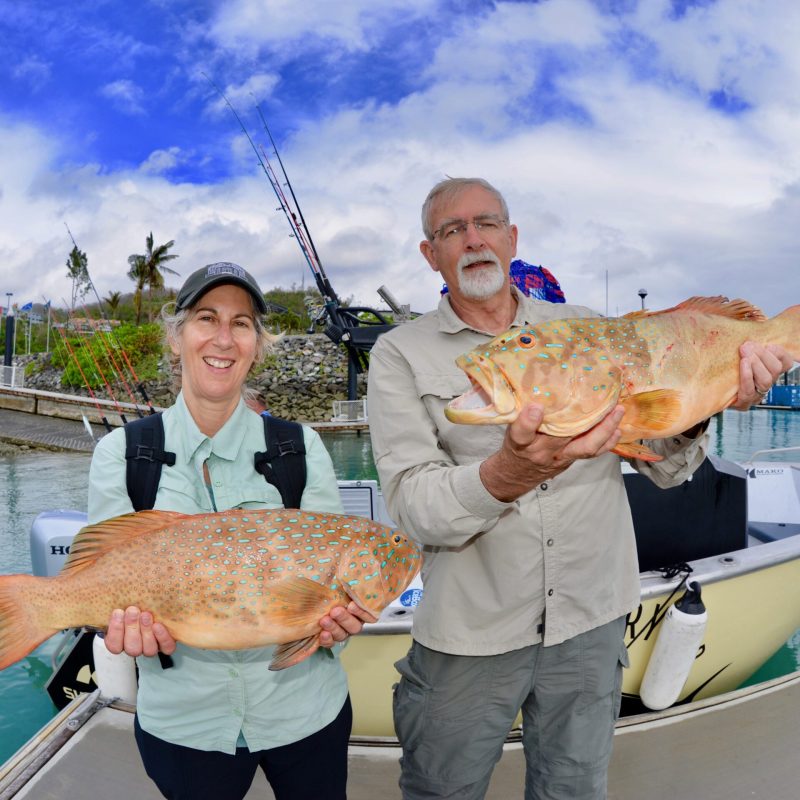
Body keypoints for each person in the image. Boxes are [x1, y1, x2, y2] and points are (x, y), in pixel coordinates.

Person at [366, 177, 793, 800]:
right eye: (451, 230)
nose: (472, 239)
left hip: (591, 621)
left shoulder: (590, 327)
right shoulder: (398, 354)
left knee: (574, 789)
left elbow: (669, 469)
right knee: (441, 788)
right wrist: (513, 470)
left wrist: (705, 404)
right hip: (470, 633)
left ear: (512, 238)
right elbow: (414, 507)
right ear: (431, 254)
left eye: (486, 223)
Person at [88, 261, 373, 800]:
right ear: (176, 339)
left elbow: (334, 576)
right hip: (185, 727)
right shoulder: (121, 454)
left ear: (257, 345)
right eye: (206, 318)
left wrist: (337, 617)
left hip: (305, 714)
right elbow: (102, 577)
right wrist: (113, 628)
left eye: (241, 323)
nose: (223, 338)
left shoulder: (300, 448)